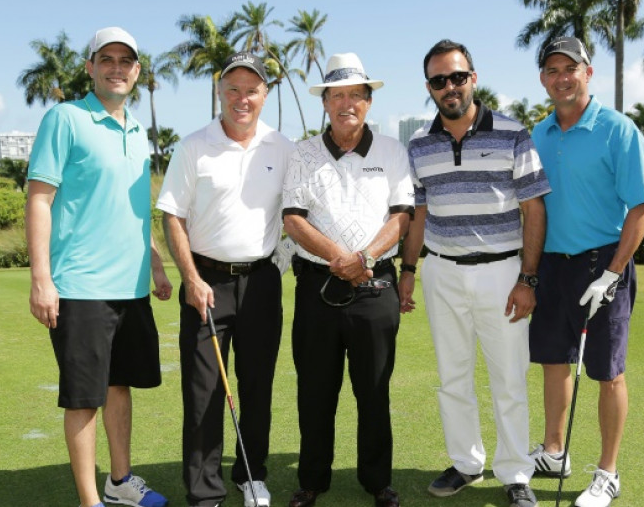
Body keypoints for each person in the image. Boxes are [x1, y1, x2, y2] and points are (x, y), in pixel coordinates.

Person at [398, 39, 549, 507]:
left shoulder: (512, 133)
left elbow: (534, 209)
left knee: (508, 378)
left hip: (502, 273)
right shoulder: (419, 145)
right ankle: (466, 463)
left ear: (473, 79)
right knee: (453, 377)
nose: (450, 87)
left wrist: (527, 279)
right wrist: (407, 270)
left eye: (458, 77)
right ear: (429, 88)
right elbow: (419, 214)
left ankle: (515, 472)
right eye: (439, 80)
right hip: (442, 272)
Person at [26, 26, 171, 507]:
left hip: (129, 288)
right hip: (80, 287)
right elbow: (40, 200)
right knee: (84, 397)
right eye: (105, 59)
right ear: (89, 67)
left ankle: (120, 483)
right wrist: (42, 279)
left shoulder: (136, 129)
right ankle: (91, 501)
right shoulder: (65, 119)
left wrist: (154, 263)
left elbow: (129, 208)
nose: (116, 67)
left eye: (125, 61)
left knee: (119, 386)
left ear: (136, 71)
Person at [156, 52, 293, 507]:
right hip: (206, 282)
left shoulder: (282, 146)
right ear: (220, 92)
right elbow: (172, 215)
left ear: (265, 95)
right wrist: (190, 277)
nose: (242, 98)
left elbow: (293, 214)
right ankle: (203, 490)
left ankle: (251, 475)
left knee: (257, 386)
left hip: (261, 282)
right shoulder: (194, 145)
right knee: (204, 392)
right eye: (232, 89)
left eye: (251, 90)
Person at [528, 36, 644, 507]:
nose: (561, 77)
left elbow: (642, 206)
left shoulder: (618, 130)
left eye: (570, 68)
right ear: (543, 78)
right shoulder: (538, 134)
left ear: (588, 72)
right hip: (551, 265)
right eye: (552, 70)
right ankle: (554, 451)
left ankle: (608, 472)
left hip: (602, 264)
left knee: (606, 371)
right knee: (553, 361)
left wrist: (613, 272)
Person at [282, 53, 413, 507]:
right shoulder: (303, 153)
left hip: (375, 289)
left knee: (373, 391)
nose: (346, 103)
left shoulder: (393, 150)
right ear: (325, 103)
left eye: (355, 94)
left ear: (369, 101)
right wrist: (341, 258)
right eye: (337, 95)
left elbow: (402, 216)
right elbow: (293, 219)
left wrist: (366, 257)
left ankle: (378, 481)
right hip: (318, 288)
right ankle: (312, 480)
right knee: (315, 391)